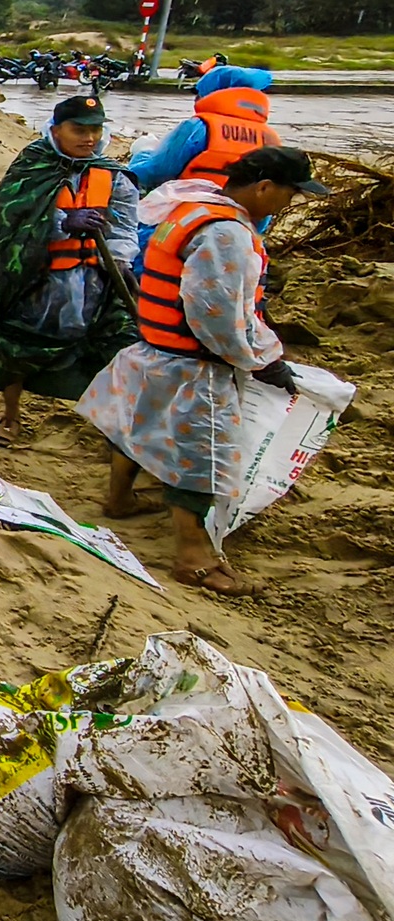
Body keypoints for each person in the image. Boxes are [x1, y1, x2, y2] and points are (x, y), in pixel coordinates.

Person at [78, 147, 328, 595]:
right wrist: (260, 357)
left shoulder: (192, 205)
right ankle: (193, 557)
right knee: (201, 457)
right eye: (289, 195)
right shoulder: (226, 232)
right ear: (264, 187)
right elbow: (215, 311)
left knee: (136, 425)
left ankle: (119, 499)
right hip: (192, 365)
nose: (289, 205)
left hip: (153, 349)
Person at [0, 95, 139, 448]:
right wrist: (62, 222)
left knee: (122, 344)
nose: (88, 138)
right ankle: (11, 416)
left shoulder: (114, 176)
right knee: (15, 344)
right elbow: (11, 222)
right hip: (36, 277)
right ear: (56, 130)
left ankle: (109, 423)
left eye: (95, 130)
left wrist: (122, 259)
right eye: (79, 130)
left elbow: (125, 227)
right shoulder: (32, 167)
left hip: (95, 278)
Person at [128, 65, 281, 264]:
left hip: (187, 223)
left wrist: (142, 152)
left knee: (141, 255)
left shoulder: (198, 127)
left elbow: (155, 171)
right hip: (244, 229)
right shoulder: (270, 138)